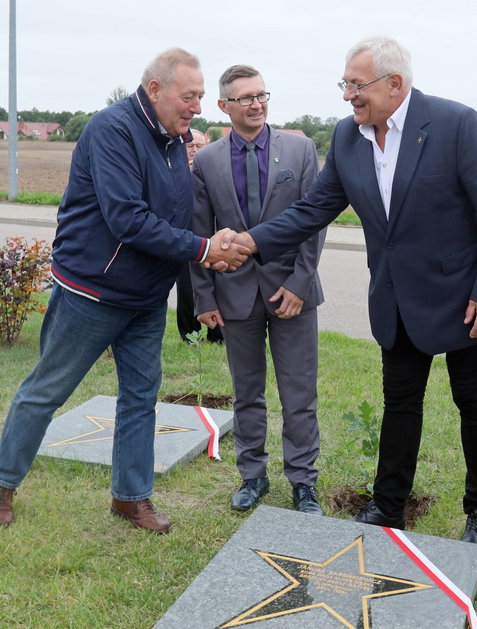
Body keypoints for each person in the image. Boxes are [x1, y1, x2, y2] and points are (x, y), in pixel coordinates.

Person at [221, 36, 477, 557]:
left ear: (394, 84)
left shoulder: (453, 124)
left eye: (355, 86)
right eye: (346, 85)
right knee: (400, 404)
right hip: (396, 300)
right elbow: (314, 209)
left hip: (464, 300)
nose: (347, 97)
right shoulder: (348, 137)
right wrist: (251, 242)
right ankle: (388, 504)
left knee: (474, 402)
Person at [0, 48, 246, 534]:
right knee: (47, 391)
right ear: (155, 90)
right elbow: (128, 219)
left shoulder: (174, 138)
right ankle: (1, 483)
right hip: (91, 293)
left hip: (146, 299)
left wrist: (216, 240)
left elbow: (177, 214)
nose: (198, 108)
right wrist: (205, 249)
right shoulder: (113, 130)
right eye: (189, 96)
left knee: (141, 398)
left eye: (201, 97)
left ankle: (131, 497)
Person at [190, 65, 325, 515]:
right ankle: (253, 476)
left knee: (298, 393)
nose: (256, 104)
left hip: (292, 293)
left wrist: (300, 283)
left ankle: (303, 482)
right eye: (245, 97)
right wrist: (204, 298)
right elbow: (200, 231)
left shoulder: (301, 149)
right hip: (235, 296)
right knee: (246, 392)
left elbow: (313, 223)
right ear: (224, 105)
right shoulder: (207, 161)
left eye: (262, 95)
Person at [176, 129, 223, 343]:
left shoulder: (215, 170)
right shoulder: (175, 171)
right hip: (186, 238)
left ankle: (218, 334)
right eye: (189, 146)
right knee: (187, 288)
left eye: (199, 146)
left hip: (212, 236)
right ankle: (189, 334)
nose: (194, 150)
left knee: (219, 285)